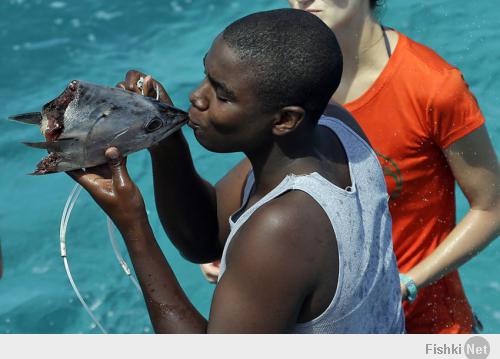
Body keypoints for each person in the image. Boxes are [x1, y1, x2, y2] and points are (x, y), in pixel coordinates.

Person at [69, 9, 405, 333]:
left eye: (222, 95)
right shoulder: (333, 126)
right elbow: (203, 240)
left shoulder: (283, 228)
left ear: (286, 119)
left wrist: (133, 225)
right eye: (207, 76)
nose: (197, 96)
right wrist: (163, 138)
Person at [200, 0, 500, 333]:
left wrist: (409, 282)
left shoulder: (433, 88)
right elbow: (272, 185)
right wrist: (238, 251)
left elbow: (492, 208)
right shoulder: (283, 87)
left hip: (431, 327)